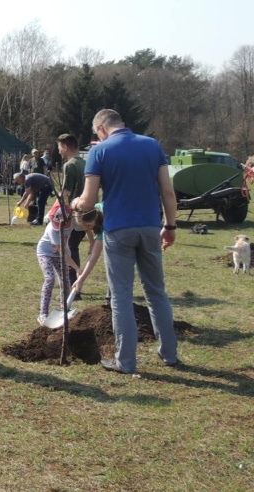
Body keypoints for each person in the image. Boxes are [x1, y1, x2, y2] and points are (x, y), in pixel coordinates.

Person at [72, 109, 179, 374]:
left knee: (121, 295)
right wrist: (170, 225)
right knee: (157, 291)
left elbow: (87, 200)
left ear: (101, 129)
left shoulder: (99, 152)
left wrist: (74, 202)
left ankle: (126, 361)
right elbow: (167, 191)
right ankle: (170, 354)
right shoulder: (152, 146)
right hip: (151, 227)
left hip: (118, 230)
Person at [35, 203, 81, 325]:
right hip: (45, 253)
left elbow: (86, 226)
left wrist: (93, 242)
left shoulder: (72, 222)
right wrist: (77, 268)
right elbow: (63, 254)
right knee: (50, 279)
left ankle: (64, 308)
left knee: (65, 280)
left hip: (60, 254)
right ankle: (43, 313)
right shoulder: (51, 229)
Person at [58, 133, 88, 288]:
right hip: (86, 211)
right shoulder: (84, 163)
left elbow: (66, 192)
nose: (59, 152)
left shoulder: (69, 165)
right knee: (73, 246)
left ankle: (73, 285)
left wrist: (58, 211)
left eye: (59, 148)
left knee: (70, 248)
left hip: (74, 212)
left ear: (65, 147)